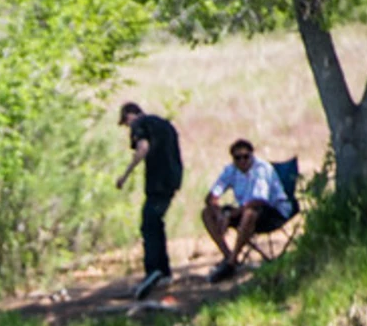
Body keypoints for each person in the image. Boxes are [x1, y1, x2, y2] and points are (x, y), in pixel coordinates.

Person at [115, 102, 183, 300]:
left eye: (126, 124)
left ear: (129, 116)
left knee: (148, 224)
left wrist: (125, 175)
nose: (128, 129)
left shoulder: (140, 124)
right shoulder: (165, 124)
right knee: (156, 222)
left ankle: (153, 270)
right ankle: (164, 272)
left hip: (157, 182)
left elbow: (143, 147)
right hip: (172, 179)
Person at [202, 138, 293, 283]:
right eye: (238, 158)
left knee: (249, 213)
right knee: (207, 213)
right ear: (233, 159)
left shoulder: (261, 169)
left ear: (252, 155)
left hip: (273, 211)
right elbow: (211, 196)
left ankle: (231, 264)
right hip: (245, 210)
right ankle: (228, 256)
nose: (243, 161)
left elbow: (258, 200)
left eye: (246, 156)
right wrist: (220, 214)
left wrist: (230, 214)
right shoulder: (230, 170)